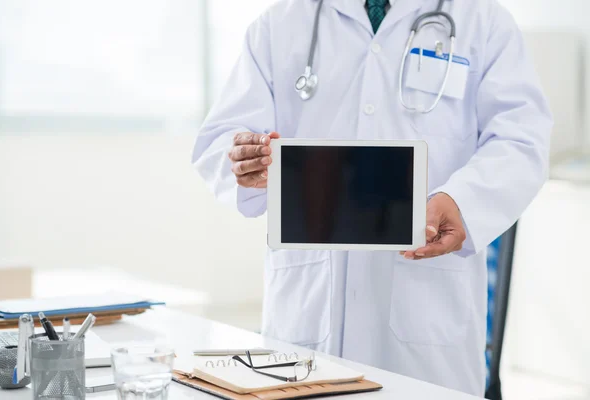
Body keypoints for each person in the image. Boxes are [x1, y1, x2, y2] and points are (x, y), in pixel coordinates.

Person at [192, 0, 552, 396]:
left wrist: (461, 201)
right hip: (308, 316)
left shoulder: (482, 20)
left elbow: (522, 140)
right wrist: (244, 159)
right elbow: (221, 140)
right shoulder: (280, 24)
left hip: (426, 320)